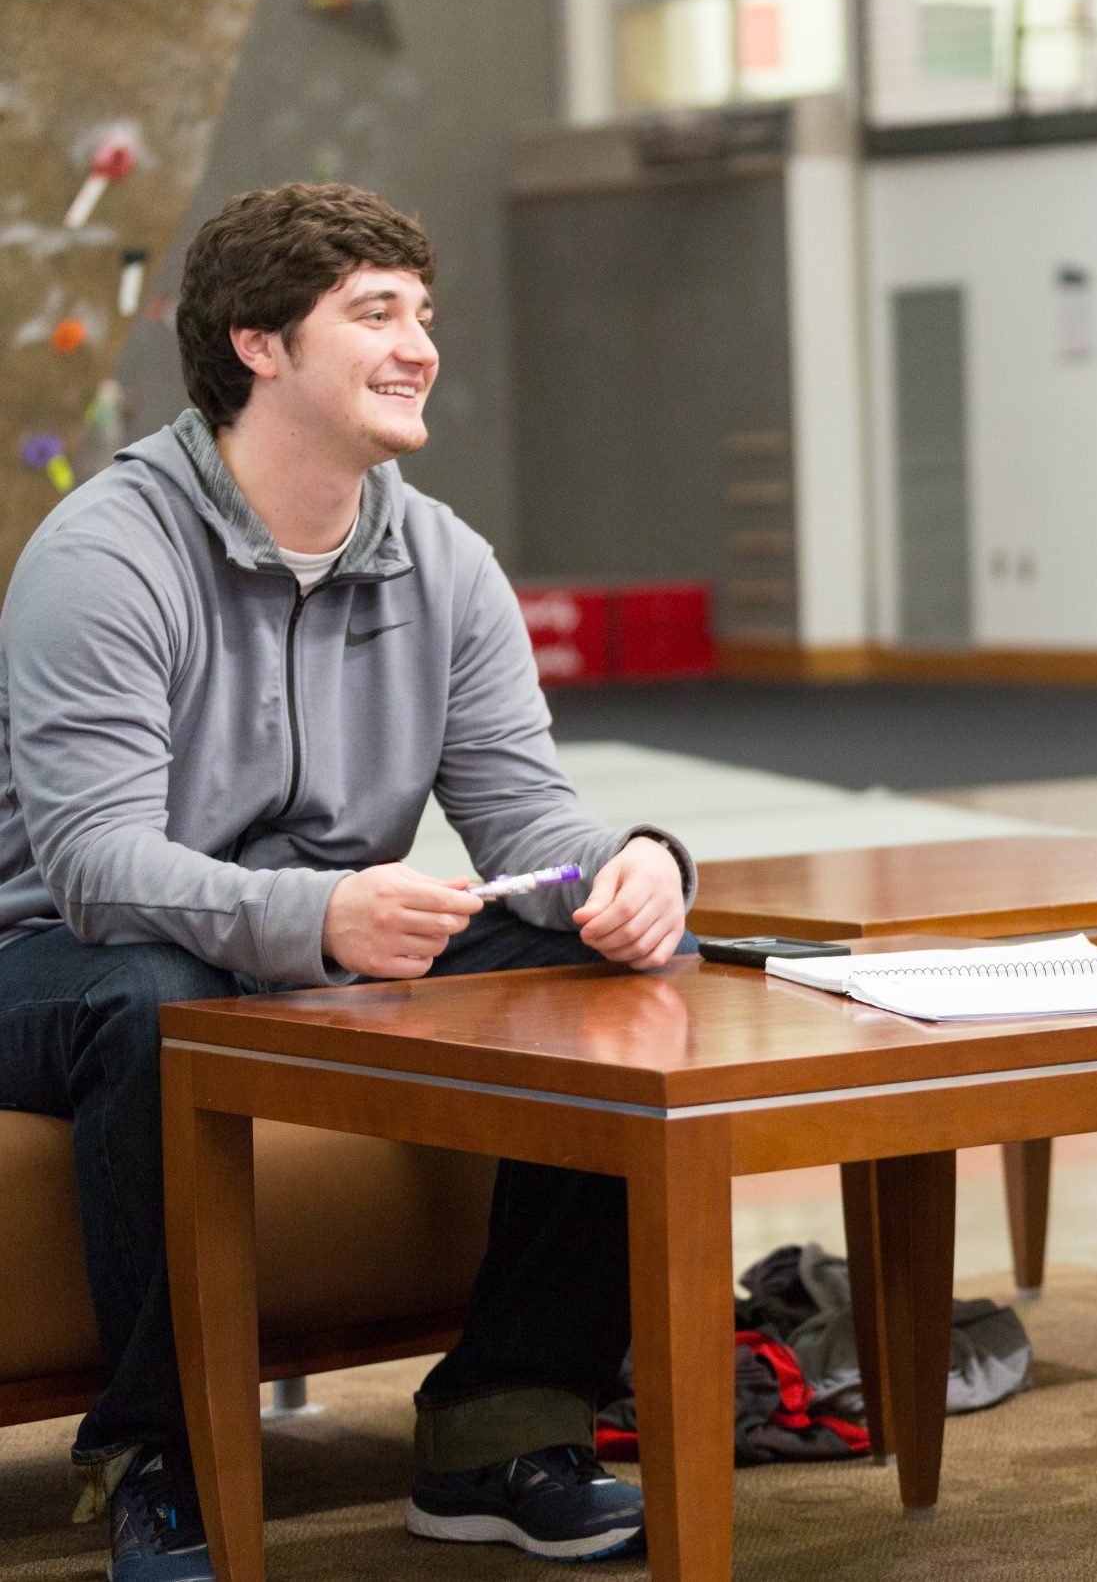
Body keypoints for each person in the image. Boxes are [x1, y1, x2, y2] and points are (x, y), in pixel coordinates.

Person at [0, 184, 697, 1579]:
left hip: (310, 937)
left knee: (598, 973)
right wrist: (315, 915)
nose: (418, 344)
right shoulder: (104, 553)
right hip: (59, 953)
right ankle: (164, 1456)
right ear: (259, 346)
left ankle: (503, 1425)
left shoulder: (443, 559)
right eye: (374, 313)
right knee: (161, 995)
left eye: (422, 313)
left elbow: (523, 812)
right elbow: (92, 862)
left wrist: (629, 867)